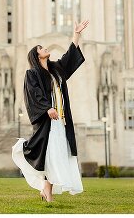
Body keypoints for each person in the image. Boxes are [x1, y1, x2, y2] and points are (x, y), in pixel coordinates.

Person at [12, 20, 89, 203]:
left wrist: (76, 34)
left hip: (61, 120)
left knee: (56, 154)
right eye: (41, 48)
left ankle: (46, 189)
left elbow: (70, 57)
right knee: (51, 155)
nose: (45, 48)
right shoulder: (32, 74)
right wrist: (47, 108)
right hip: (48, 121)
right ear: (36, 55)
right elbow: (34, 94)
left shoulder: (56, 69)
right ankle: (47, 191)